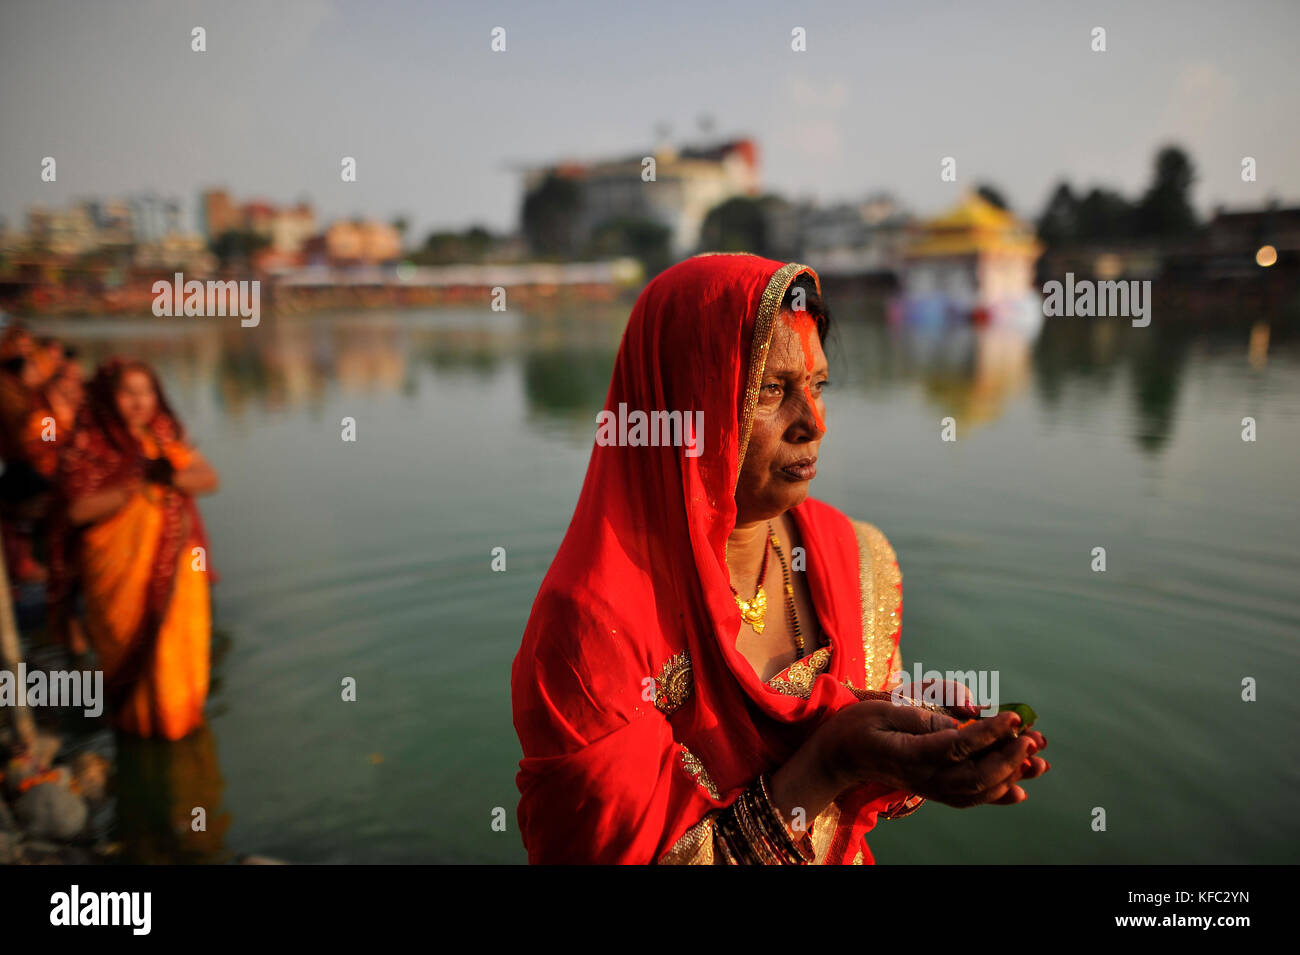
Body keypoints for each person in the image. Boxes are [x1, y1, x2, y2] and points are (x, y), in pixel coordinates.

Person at [511, 254, 1049, 864]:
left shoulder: (854, 555)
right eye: (771, 390)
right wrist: (833, 761)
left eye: (818, 386)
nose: (812, 424)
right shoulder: (591, 627)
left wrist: (922, 730)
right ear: (683, 406)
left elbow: (854, 753)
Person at [55, 358, 219, 739]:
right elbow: (76, 510)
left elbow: (209, 478)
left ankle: (178, 719)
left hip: (175, 568)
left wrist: (171, 476)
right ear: (108, 397)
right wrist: (133, 487)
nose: (138, 401)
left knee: (176, 648)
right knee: (130, 647)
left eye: (146, 392)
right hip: (118, 573)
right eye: (128, 392)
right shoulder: (89, 444)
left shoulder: (162, 438)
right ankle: (139, 725)